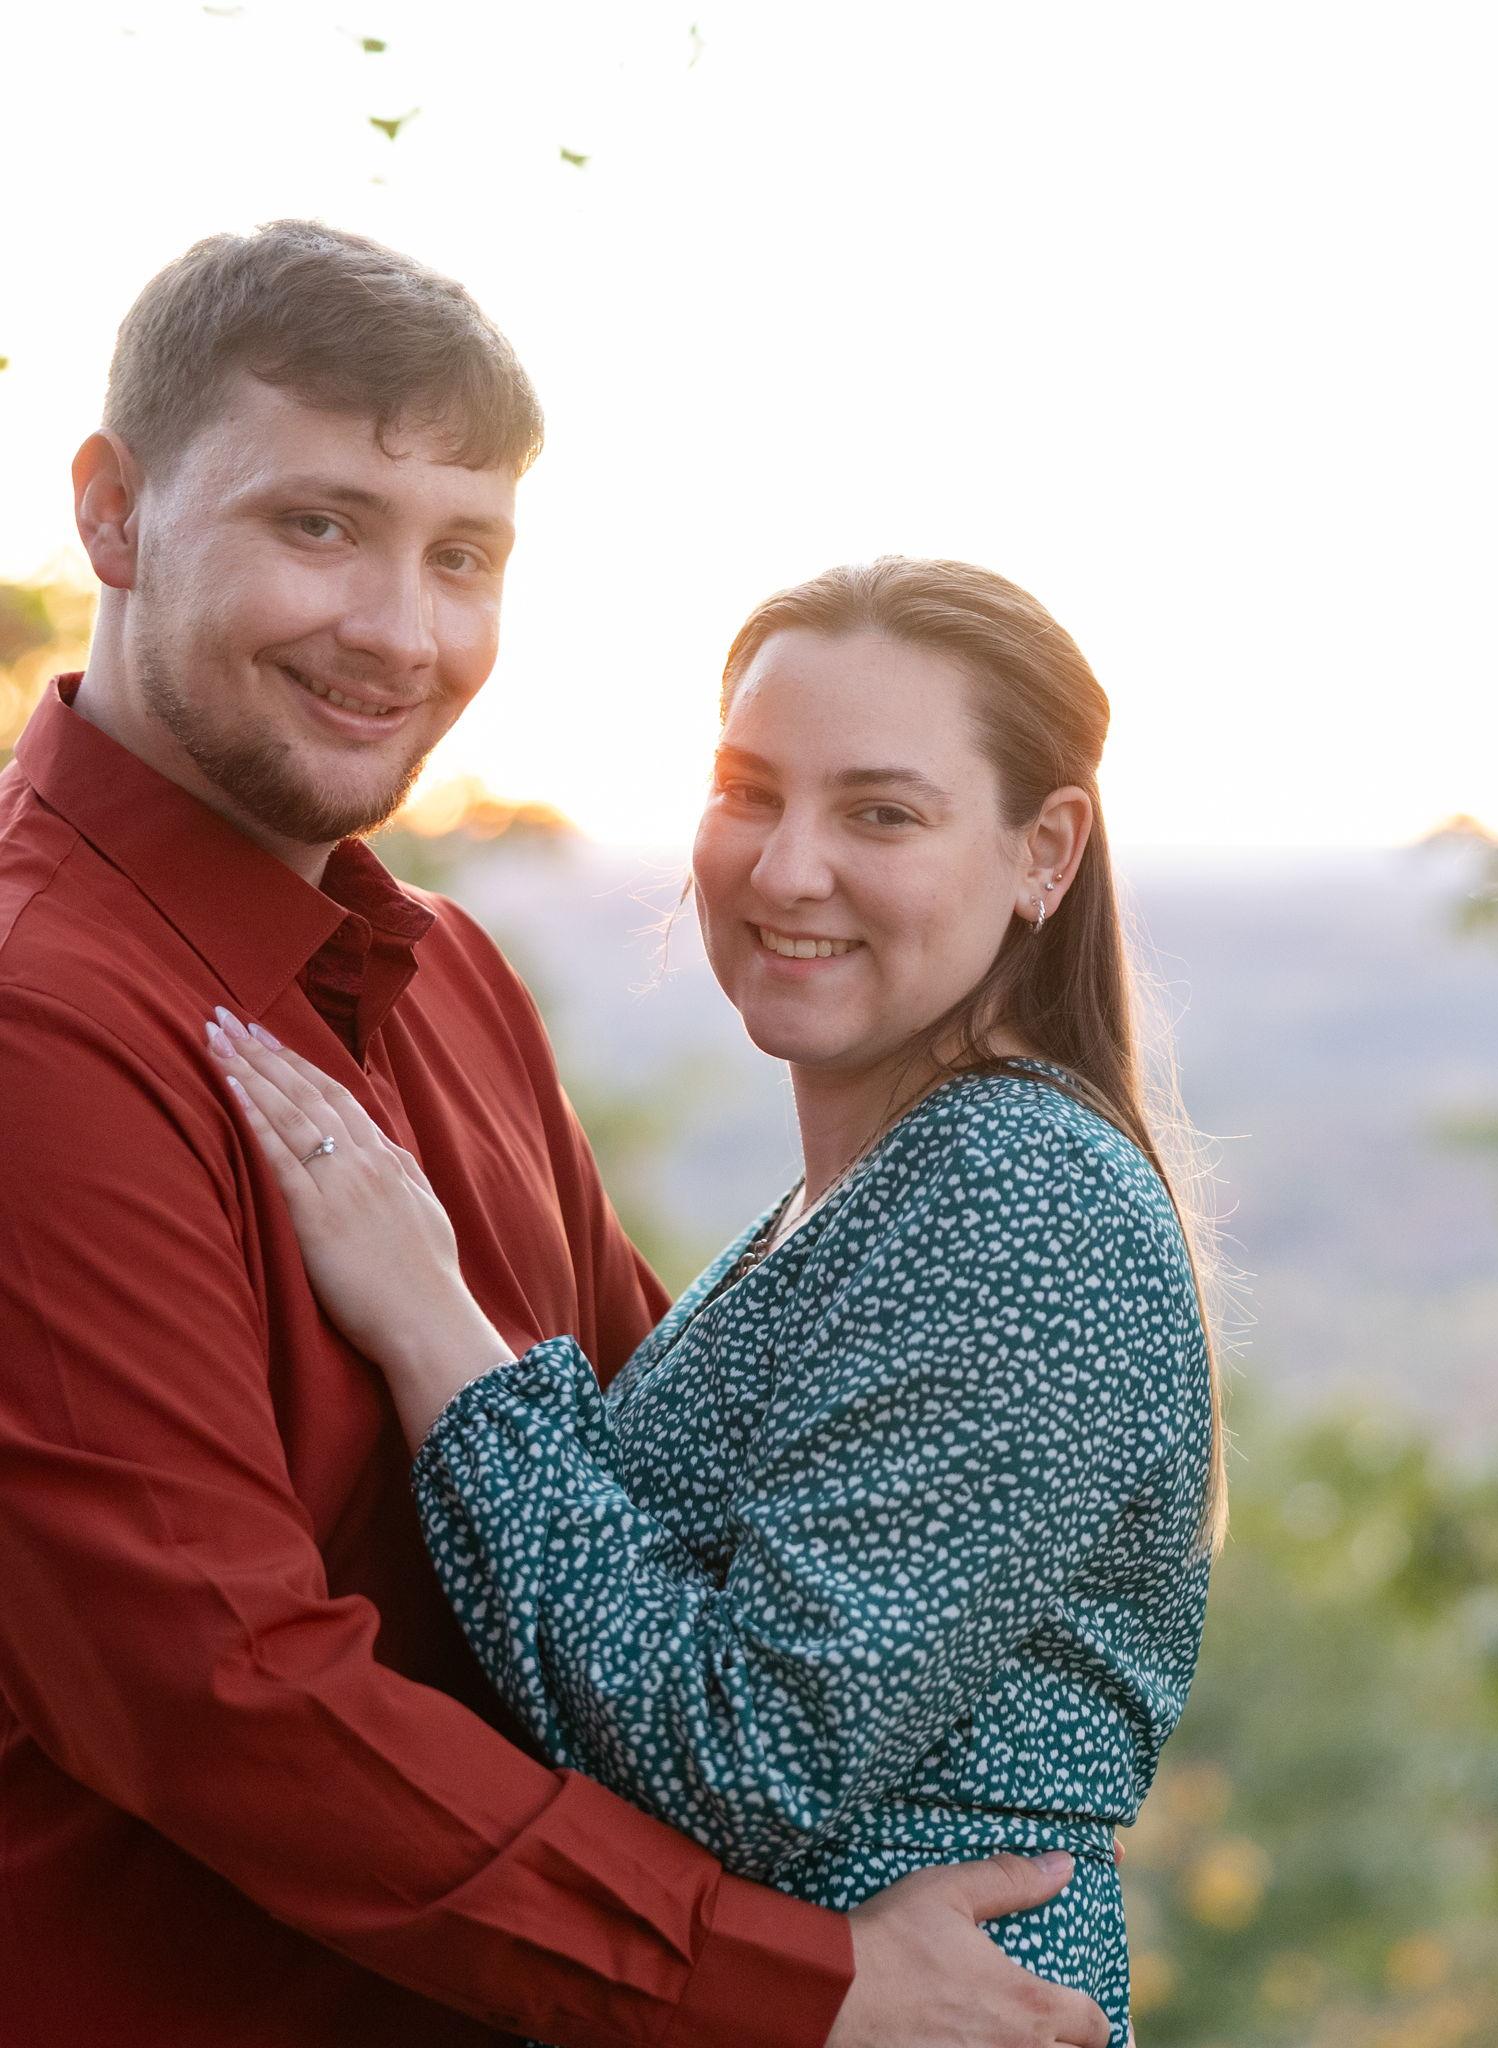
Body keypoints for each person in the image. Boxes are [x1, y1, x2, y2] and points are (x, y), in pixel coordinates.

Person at [0, 223, 1110, 2048]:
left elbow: (657, 1502)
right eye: (319, 526)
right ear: (113, 514)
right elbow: (225, 1698)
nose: (401, 634)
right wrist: (804, 1989)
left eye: (464, 557)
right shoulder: (44, 1028)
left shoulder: (445, 979)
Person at [205, 558, 1223, 2047]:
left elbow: (748, 1754)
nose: (786, 866)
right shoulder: (868, 1194)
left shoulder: (1020, 1198)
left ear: (1043, 853)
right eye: (750, 790)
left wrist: (437, 1334)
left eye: (881, 812)